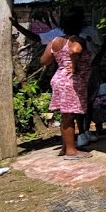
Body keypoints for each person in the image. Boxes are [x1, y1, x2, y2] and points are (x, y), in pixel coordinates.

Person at [40, 9, 94, 159]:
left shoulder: (54, 42)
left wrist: (61, 61)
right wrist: (74, 64)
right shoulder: (77, 40)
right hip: (71, 82)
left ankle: (65, 147)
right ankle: (71, 151)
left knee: (66, 115)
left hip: (59, 79)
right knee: (69, 116)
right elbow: (75, 50)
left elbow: (43, 61)